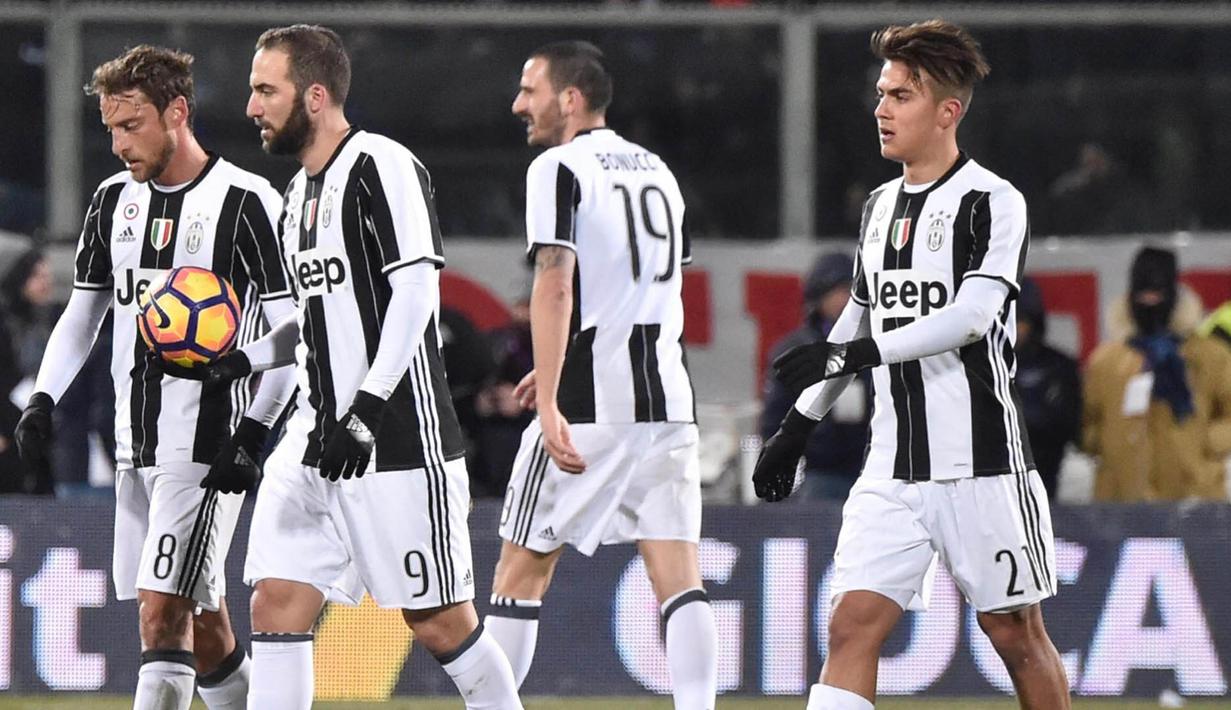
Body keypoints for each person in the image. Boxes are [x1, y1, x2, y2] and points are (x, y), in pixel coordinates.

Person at [753, 21, 1069, 710]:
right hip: (890, 466)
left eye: (900, 95)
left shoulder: (993, 201)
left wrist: (856, 354)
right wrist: (797, 428)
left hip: (979, 462)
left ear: (947, 111)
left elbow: (970, 318)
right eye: (880, 93)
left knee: (1013, 634)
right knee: (849, 628)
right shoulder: (877, 207)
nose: (882, 108)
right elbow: (856, 320)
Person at [234, 24, 522, 709]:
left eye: (264, 89)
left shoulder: (380, 164)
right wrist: (234, 363)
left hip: (395, 437)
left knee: (439, 621)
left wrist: (365, 408)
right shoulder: (296, 197)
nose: (251, 106)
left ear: (312, 96)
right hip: (313, 437)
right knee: (275, 603)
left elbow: (417, 291)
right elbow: (306, 326)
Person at [12, 45, 298, 710]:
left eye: (130, 125)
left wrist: (254, 432)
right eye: (109, 127)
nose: (116, 144)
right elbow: (82, 317)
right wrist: (44, 399)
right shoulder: (112, 202)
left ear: (177, 113)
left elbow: (295, 333)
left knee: (159, 616)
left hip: (206, 448)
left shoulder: (248, 203)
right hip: (133, 445)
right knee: (204, 625)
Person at [484, 41, 718, 708]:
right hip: (667, 399)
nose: (517, 104)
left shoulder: (557, 168)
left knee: (518, 574)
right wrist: (554, 365)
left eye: (529, 90)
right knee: (679, 576)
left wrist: (553, 392)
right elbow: (645, 286)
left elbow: (556, 284)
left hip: (591, 403)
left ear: (569, 98)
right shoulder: (657, 171)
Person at [1082, 246, 1231, 501]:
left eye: (1158, 294)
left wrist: (1203, 444)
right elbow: (1088, 425)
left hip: (1194, 499)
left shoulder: (1209, 356)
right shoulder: (1106, 362)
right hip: (1123, 501)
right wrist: (1112, 449)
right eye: (1144, 294)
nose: (1150, 303)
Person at [759, 252, 871, 500]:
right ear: (819, 294)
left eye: (851, 290)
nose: (845, 299)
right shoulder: (795, 350)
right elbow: (774, 417)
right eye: (839, 290)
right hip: (821, 471)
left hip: (873, 467)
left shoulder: (877, 344)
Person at [1014, 277, 1081, 498]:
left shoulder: (1060, 366)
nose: (1015, 328)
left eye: (1020, 320)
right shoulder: (988, 368)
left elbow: (1074, 426)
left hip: (1053, 473)